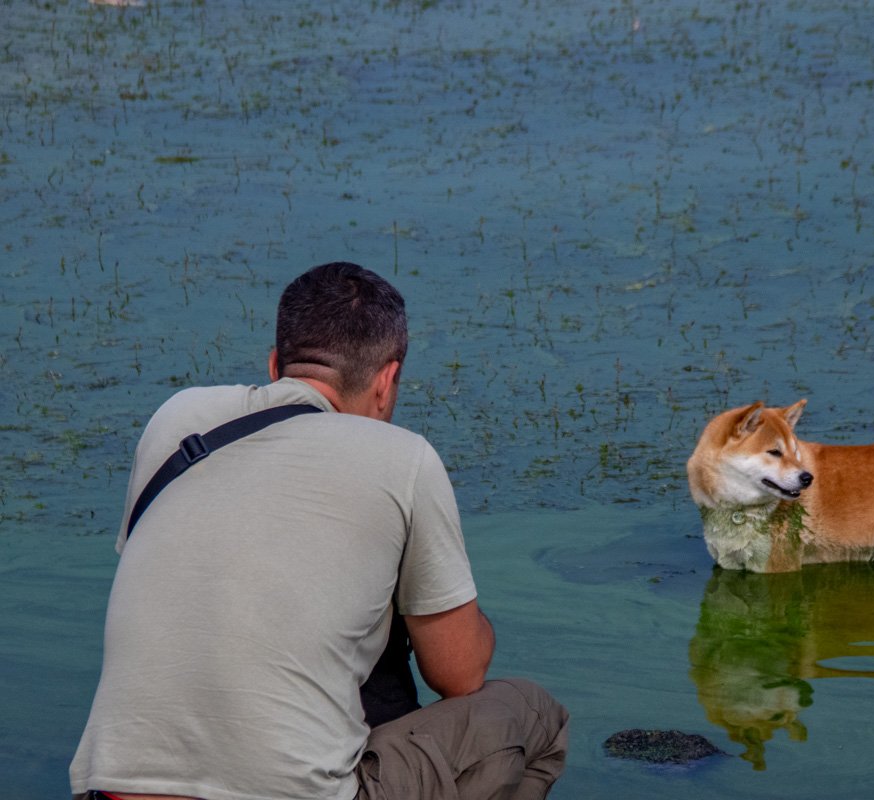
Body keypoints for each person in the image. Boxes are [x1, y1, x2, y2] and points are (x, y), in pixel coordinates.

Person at [70, 262, 569, 800]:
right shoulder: (404, 459)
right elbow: (458, 675)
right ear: (387, 381)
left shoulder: (177, 418)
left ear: (274, 366)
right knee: (535, 715)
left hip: (112, 789)